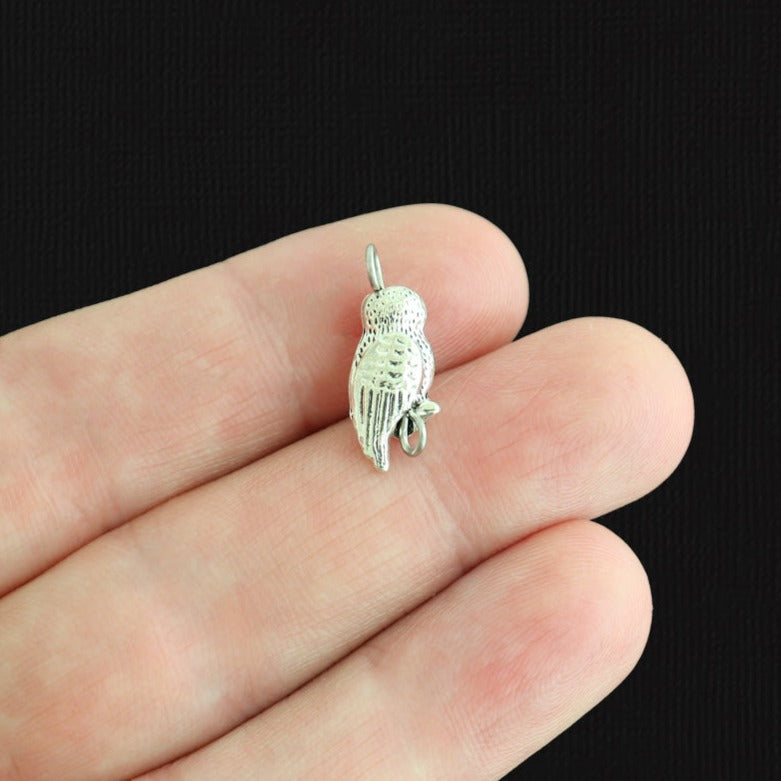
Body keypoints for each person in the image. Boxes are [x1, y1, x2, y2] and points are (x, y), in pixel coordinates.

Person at [0, 204, 694, 780]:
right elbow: (378, 388)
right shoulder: (381, 348)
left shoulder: (405, 346)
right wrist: (384, 425)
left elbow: (401, 380)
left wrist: (405, 412)